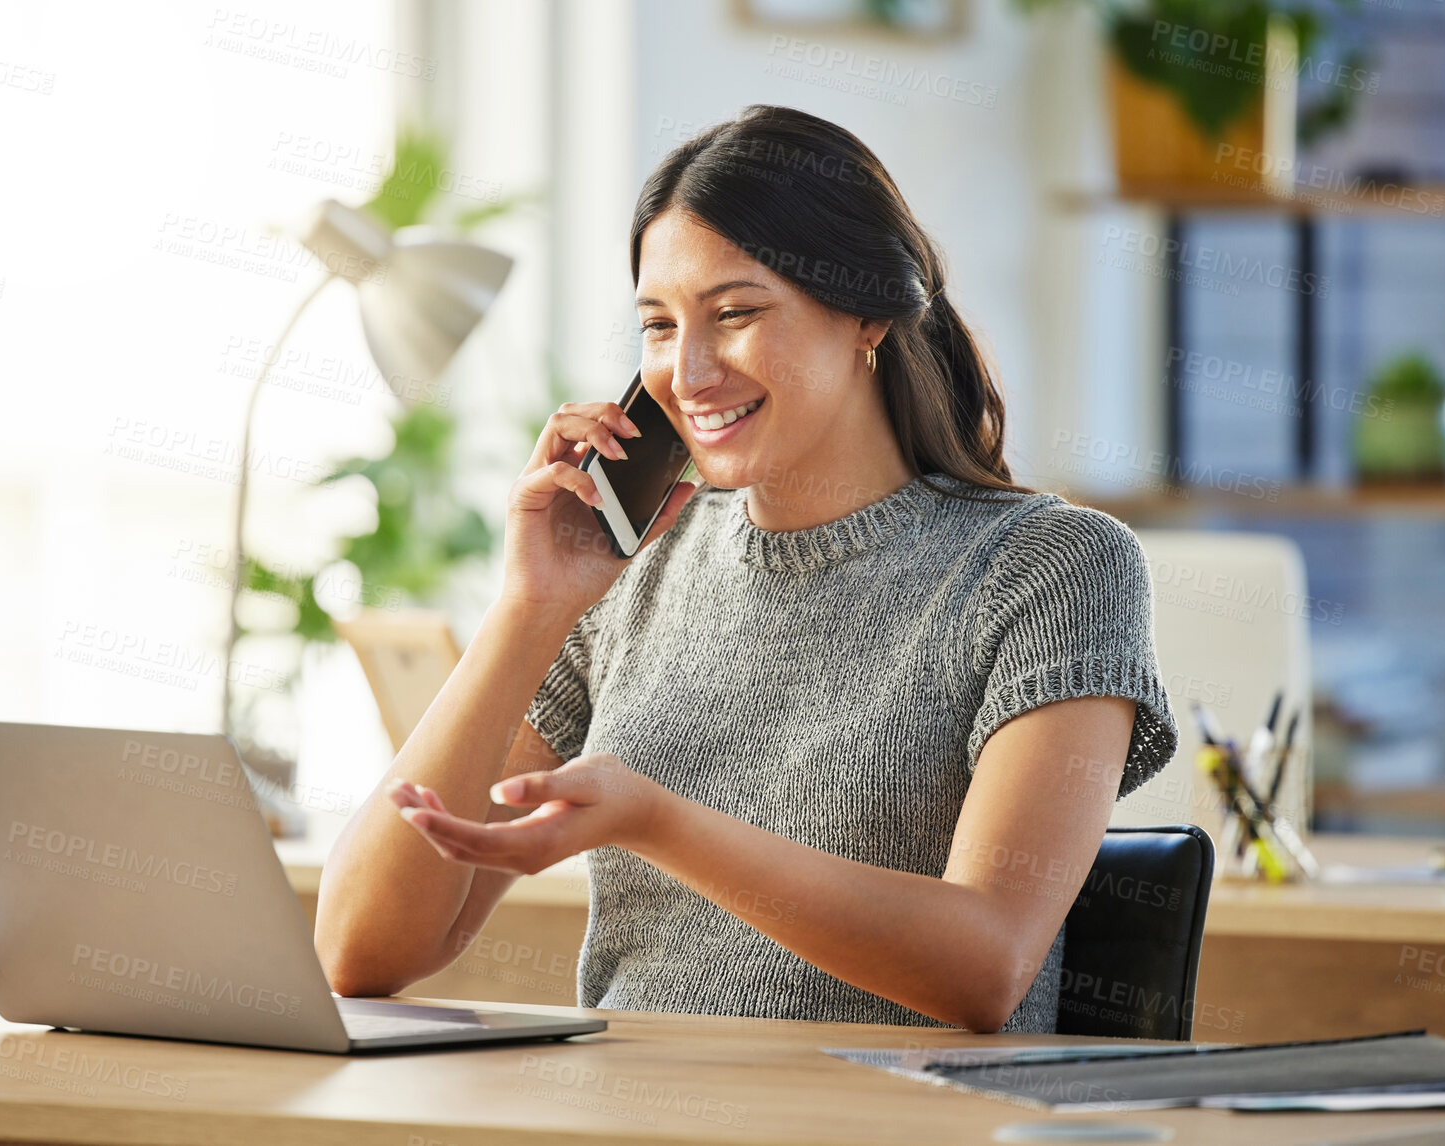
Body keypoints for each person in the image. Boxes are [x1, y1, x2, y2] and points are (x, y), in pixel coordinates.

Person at [315, 104, 1177, 1033]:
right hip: (622, 1123)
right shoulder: (633, 570)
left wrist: (654, 819)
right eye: (656, 326)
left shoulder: (1053, 568)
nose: (685, 373)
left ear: (866, 316)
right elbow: (364, 952)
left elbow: (987, 963)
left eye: (734, 314)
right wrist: (531, 606)